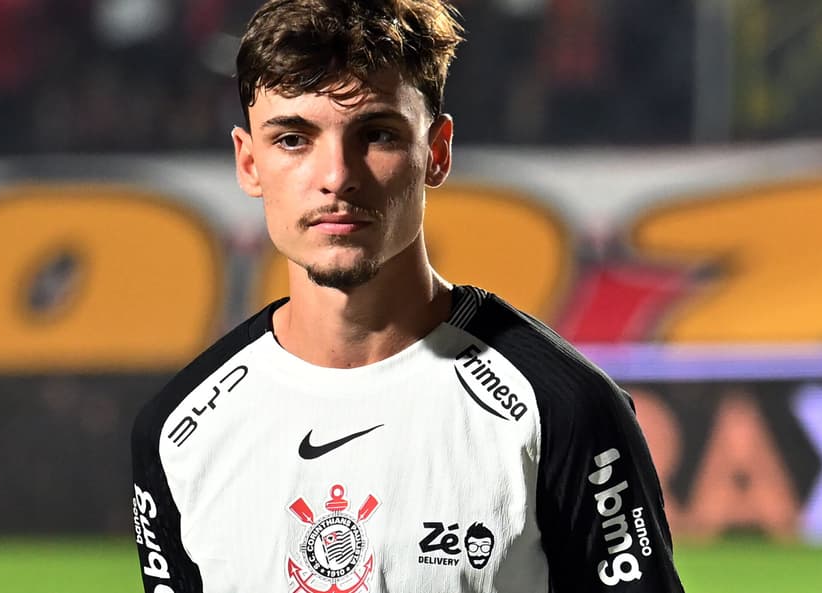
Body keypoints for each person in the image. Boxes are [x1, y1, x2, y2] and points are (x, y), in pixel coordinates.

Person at [130, 1, 685, 591]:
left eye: (377, 134)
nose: (337, 176)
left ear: (436, 152)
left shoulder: (563, 408)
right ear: (248, 163)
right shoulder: (177, 433)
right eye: (293, 139)